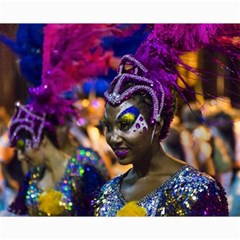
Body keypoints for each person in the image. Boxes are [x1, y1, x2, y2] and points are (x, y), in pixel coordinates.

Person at [92, 24, 240, 216]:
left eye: (125, 124)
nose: (113, 137)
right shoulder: (107, 194)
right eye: (108, 127)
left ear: (157, 123)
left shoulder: (197, 191)